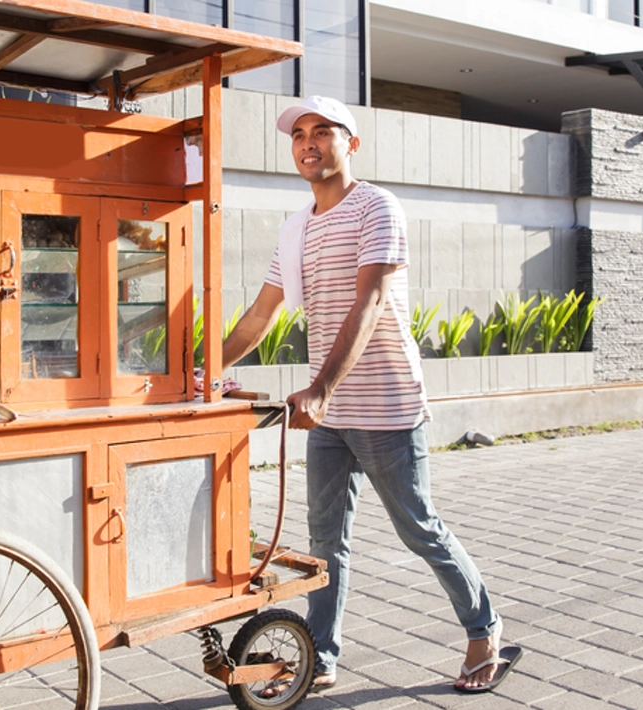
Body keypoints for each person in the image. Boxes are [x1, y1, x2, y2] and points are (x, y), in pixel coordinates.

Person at [221, 95, 521, 694]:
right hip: (328, 419)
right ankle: (322, 658)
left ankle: (484, 629)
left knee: (419, 529)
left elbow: (372, 301)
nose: (308, 143)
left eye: (323, 132)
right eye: (299, 134)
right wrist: (203, 372)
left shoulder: (376, 208)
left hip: (386, 406)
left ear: (350, 144)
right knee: (325, 541)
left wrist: (321, 388)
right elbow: (260, 314)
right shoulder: (295, 226)